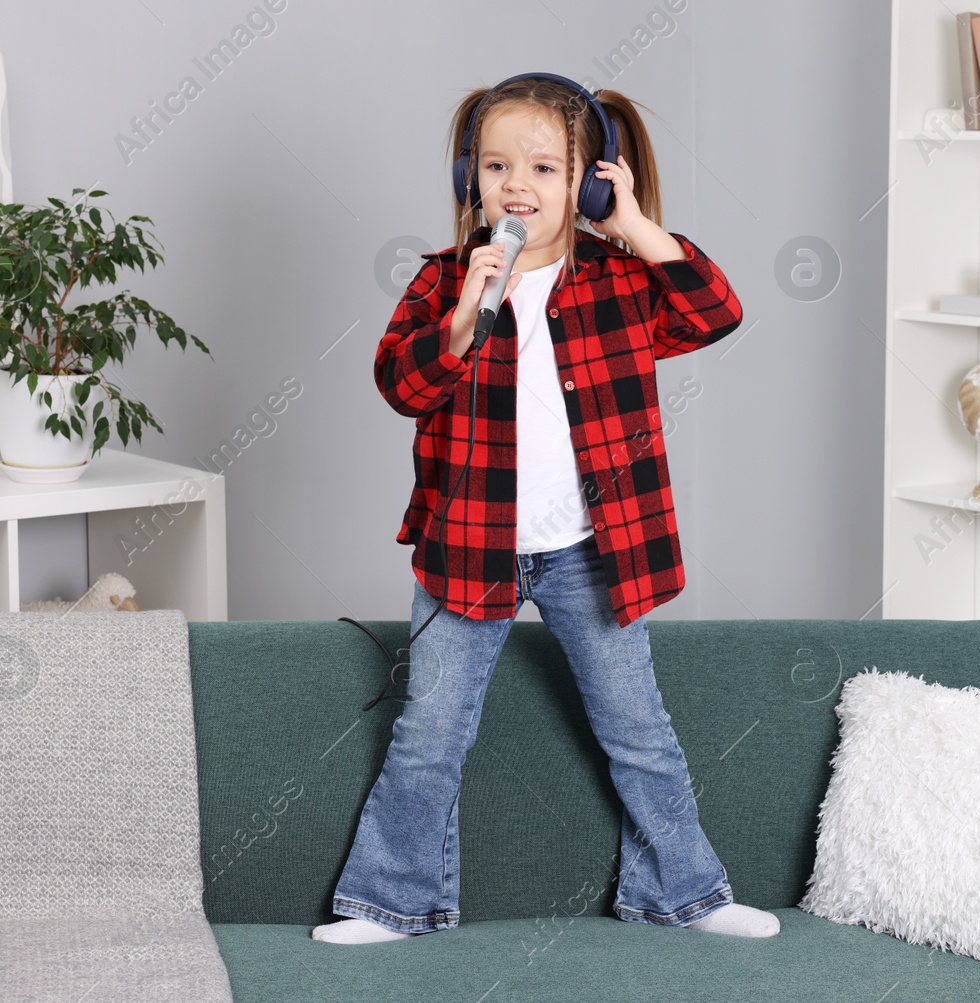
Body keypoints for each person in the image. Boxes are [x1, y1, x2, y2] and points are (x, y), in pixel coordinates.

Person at [313, 72, 774, 945]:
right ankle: (392, 901)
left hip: (589, 551)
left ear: (588, 184)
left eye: (544, 169)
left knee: (640, 733)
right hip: (473, 546)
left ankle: (687, 894)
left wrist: (635, 225)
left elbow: (717, 312)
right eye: (494, 166)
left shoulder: (621, 281)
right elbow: (401, 385)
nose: (515, 186)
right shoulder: (446, 279)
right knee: (430, 735)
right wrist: (460, 318)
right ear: (469, 180)